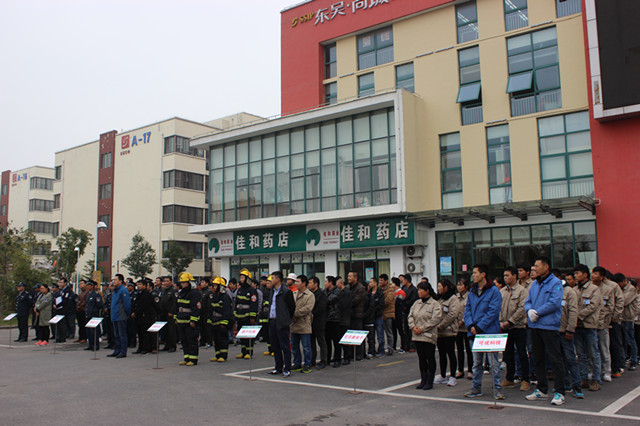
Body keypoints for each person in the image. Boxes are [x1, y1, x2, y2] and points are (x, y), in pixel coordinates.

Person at [523, 257, 566, 406]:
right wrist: (529, 311)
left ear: (546, 267)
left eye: (537, 265)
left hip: (549, 326)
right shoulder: (535, 284)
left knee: (555, 359)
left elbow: (554, 303)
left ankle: (560, 391)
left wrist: (538, 312)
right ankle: (541, 389)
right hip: (535, 326)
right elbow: (528, 301)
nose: (534, 268)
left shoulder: (555, 283)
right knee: (537, 358)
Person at [463, 264, 504, 400]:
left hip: (489, 332)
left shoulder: (493, 291)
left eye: (475, 273)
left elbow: (493, 311)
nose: (473, 275)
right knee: (476, 363)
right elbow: (467, 310)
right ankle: (476, 387)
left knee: (494, 363)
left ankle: (497, 389)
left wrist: (479, 326)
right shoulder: (472, 291)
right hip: (474, 333)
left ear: (483, 274)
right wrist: (470, 325)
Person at [499, 266, 530, 391]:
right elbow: (498, 307)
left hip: (518, 327)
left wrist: (510, 321)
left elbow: (522, 308)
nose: (505, 278)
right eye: (504, 276)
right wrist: (501, 321)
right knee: (507, 354)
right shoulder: (502, 291)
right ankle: (509, 378)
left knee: (522, 353)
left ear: (514, 276)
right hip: (505, 327)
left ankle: (525, 379)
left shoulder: (522, 291)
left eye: (507, 275)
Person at [573, 264, 602, 391]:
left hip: (589, 325)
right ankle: (583, 378)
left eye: (577, 273)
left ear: (585, 275)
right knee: (581, 354)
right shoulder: (575, 290)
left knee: (593, 354)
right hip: (577, 327)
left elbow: (593, 306)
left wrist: (578, 316)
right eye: (575, 274)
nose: (575, 276)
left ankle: (596, 379)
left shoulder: (594, 289)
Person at [408, 281, 443, 390]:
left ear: (427, 291)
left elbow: (435, 319)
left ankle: (429, 380)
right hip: (417, 335)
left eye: (421, 290)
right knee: (421, 358)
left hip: (428, 335)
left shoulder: (435, 304)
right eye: (418, 289)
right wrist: (413, 327)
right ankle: (423, 379)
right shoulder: (416, 303)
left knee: (429, 357)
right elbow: (410, 316)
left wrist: (422, 328)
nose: (419, 292)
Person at [558, 271, 583, 398]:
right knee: (559, 360)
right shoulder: (553, 292)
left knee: (571, 359)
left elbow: (573, 312)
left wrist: (570, 329)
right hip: (554, 331)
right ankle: (565, 383)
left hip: (565, 331)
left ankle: (577, 386)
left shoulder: (569, 292)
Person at [267, 271, 295, 377]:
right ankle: (278, 367)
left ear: (278, 279)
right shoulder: (271, 291)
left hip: (282, 322)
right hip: (272, 321)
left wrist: (286, 318)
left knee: (285, 346)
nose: (271, 280)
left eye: (273, 278)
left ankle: (287, 368)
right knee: (275, 346)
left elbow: (292, 307)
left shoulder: (286, 292)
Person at [435, 279, 461, 386]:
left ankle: (453, 376)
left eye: (440, 286)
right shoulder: (440, 299)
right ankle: (442, 375)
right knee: (442, 354)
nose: (438, 288)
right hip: (439, 332)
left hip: (449, 331)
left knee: (451, 353)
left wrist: (441, 325)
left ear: (446, 287)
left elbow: (452, 314)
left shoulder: (453, 299)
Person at [590, 266, 614, 382]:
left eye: (596, 273)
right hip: (590, 323)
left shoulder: (608, 289)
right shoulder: (588, 288)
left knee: (604, 348)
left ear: (602, 277)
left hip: (603, 323)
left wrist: (600, 315)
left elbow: (610, 306)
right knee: (591, 349)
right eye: (592, 273)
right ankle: (592, 371)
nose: (593, 275)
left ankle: (607, 371)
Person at [291, 274, 315, 373]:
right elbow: (290, 306)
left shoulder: (310, 295)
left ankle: (307, 364)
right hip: (294, 324)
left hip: (304, 324)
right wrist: (291, 315)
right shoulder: (294, 294)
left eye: (298, 282)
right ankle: (297, 363)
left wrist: (295, 314)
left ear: (304, 283)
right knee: (294, 346)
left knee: (306, 347)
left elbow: (308, 308)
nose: (296, 283)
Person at [176, 272, 201, 366]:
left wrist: (193, 320)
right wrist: (176, 317)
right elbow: (177, 306)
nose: (182, 284)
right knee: (184, 340)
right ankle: (186, 358)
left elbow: (196, 308)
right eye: (181, 283)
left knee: (191, 340)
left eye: (184, 283)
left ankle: (193, 359)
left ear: (189, 283)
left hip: (189, 321)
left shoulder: (194, 293)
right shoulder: (181, 292)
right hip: (181, 320)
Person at [234, 268, 259, 359]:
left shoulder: (252, 290)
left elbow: (254, 304)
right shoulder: (239, 290)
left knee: (248, 335)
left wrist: (252, 317)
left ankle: (249, 352)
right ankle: (243, 351)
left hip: (248, 317)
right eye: (240, 277)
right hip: (240, 316)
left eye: (242, 277)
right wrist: (235, 314)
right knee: (242, 335)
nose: (241, 279)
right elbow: (236, 303)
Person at [616, 273, 638, 370]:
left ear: (624, 281)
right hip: (621, 318)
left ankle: (633, 360)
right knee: (622, 341)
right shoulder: (621, 289)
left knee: (630, 340)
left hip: (628, 318)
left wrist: (617, 299)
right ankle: (623, 359)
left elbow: (624, 301)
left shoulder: (631, 289)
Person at [208, 277, 232, 362]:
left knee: (222, 339)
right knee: (216, 339)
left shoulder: (225, 297)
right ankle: (217, 354)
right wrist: (209, 320)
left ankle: (223, 355)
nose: (213, 287)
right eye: (213, 285)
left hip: (221, 321)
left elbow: (227, 311)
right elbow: (210, 309)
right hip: (214, 321)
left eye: (215, 285)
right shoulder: (213, 296)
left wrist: (224, 323)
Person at [108, 274, 131, 359]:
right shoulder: (115, 290)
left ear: (120, 281)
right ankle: (117, 350)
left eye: (115, 280)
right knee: (116, 334)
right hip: (114, 315)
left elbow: (127, 304)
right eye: (113, 280)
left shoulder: (123, 290)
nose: (113, 281)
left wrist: (127, 314)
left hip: (121, 315)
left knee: (122, 334)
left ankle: (123, 351)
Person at [133, 278, 157, 354]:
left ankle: (146, 348)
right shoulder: (138, 293)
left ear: (145, 286)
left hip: (145, 316)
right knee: (140, 333)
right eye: (138, 284)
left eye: (140, 284)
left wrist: (137, 313)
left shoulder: (147, 294)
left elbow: (144, 306)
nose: (138, 286)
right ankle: (140, 348)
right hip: (138, 317)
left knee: (145, 334)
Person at [325, 276, 345, 368]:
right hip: (326, 319)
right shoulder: (325, 291)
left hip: (335, 319)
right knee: (327, 341)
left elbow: (328, 300)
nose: (325, 283)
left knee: (336, 341)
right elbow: (323, 301)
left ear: (330, 283)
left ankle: (337, 359)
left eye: (326, 282)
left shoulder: (337, 291)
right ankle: (327, 359)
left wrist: (328, 304)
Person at [455, 276, 473, 380]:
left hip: (467, 327)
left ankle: (470, 370)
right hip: (457, 327)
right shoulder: (456, 297)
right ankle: (460, 370)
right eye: (458, 285)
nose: (459, 287)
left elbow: (469, 310)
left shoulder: (470, 296)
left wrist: (463, 321)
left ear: (466, 286)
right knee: (459, 350)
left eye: (461, 285)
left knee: (469, 349)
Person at [347, 271, 366, 361]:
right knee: (350, 335)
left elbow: (356, 301)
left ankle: (359, 354)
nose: (348, 278)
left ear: (355, 278)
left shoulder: (360, 288)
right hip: (349, 315)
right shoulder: (348, 287)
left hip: (357, 314)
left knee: (358, 335)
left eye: (350, 276)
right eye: (348, 276)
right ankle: (351, 354)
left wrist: (347, 302)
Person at [309, 276, 328, 369]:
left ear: (316, 284)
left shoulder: (321, 294)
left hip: (319, 322)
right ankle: (312, 360)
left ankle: (323, 360)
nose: (309, 285)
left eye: (310, 283)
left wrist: (311, 313)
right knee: (311, 342)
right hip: (310, 322)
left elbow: (321, 308)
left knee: (321, 342)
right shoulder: (310, 294)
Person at [366, 277, 385, 358]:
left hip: (378, 316)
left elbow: (381, 304)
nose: (369, 284)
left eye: (371, 282)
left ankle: (381, 350)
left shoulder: (380, 293)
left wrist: (374, 309)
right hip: (371, 317)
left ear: (375, 283)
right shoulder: (369, 293)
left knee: (380, 334)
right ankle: (372, 350)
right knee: (371, 335)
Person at [336, 276, 353, 365]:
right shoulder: (340, 292)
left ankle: (347, 357)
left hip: (345, 318)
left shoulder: (346, 292)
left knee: (345, 339)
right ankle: (343, 357)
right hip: (340, 319)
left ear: (340, 283)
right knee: (340, 339)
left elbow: (344, 305)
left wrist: (337, 302)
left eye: (337, 283)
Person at [159, 276, 177, 352]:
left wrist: (172, 312)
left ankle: (172, 346)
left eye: (167, 281)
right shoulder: (164, 290)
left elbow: (175, 302)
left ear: (171, 281)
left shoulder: (173, 290)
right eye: (164, 281)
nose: (165, 282)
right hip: (164, 313)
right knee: (165, 330)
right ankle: (167, 345)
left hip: (170, 313)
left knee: (171, 330)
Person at [84, 281, 104, 351]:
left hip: (94, 315)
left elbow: (100, 304)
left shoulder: (96, 294)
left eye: (89, 285)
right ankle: (90, 344)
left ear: (92, 286)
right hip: (88, 315)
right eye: (87, 285)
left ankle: (96, 345)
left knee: (94, 332)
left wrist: (95, 311)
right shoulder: (88, 294)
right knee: (89, 331)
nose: (87, 287)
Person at [401, 274, 418, 352]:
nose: (402, 282)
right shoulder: (404, 288)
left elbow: (413, 300)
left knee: (411, 329)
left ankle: (412, 345)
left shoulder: (414, 289)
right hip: (404, 312)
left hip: (411, 311)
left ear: (407, 280)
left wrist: (405, 304)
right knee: (405, 329)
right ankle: (406, 345)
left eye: (403, 280)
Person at [379, 274, 396, 356]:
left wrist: (380, 303)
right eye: (379, 280)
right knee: (380, 333)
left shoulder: (390, 289)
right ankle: (381, 349)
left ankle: (390, 348)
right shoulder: (379, 288)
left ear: (386, 281)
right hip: (381, 313)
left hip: (388, 313)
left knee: (389, 332)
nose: (380, 282)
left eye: (382, 280)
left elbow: (388, 300)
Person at [392, 277, 406, 352]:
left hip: (399, 314)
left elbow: (398, 302)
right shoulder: (393, 292)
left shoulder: (401, 292)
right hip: (393, 314)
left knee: (401, 331)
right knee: (393, 331)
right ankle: (393, 346)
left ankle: (403, 346)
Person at [199, 278, 212, 348]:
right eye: (201, 282)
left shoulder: (209, 292)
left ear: (207, 283)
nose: (201, 283)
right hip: (201, 312)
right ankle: (202, 341)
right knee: (202, 328)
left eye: (203, 282)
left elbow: (209, 304)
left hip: (206, 312)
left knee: (207, 328)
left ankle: (209, 341)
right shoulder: (201, 292)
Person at [75, 280, 88, 344]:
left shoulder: (87, 292)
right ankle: (80, 337)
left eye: (82, 283)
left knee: (83, 325)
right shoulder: (81, 292)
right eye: (80, 284)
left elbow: (85, 301)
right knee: (80, 325)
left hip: (84, 310)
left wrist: (80, 305)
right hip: (79, 310)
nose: (80, 285)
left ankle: (84, 338)